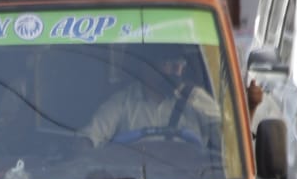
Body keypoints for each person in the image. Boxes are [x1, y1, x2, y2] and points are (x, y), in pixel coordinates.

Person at [80, 46, 220, 148]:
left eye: (181, 64)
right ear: (146, 68)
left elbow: (229, 139)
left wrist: (193, 101)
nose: (177, 70)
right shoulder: (123, 101)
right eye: (168, 63)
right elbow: (90, 137)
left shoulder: (195, 98)